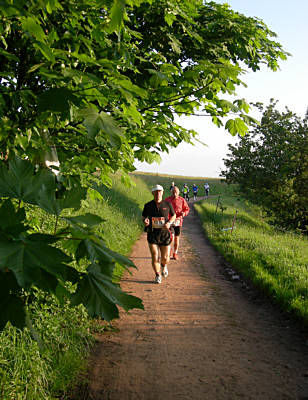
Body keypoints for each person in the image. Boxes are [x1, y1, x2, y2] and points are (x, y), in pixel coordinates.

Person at [142, 184, 176, 284]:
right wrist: (145, 221)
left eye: (160, 192)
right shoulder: (148, 205)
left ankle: (164, 266)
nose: (158, 194)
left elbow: (173, 215)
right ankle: (157, 275)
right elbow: (143, 217)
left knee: (165, 258)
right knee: (155, 255)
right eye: (156, 192)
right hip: (152, 234)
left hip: (165, 234)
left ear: (162, 193)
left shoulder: (167, 204)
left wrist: (169, 223)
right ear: (153, 193)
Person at [165, 186, 190, 260]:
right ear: (171, 192)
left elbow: (187, 209)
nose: (174, 194)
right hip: (170, 221)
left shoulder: (182, 200)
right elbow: (163, 208)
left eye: (176, 192)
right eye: (173, 192)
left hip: (178, 222)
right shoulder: (167, 200)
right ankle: (169, 251)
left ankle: (175, 253)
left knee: (176, 238)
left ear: (179, 192)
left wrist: (184, 213)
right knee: (171, 237)